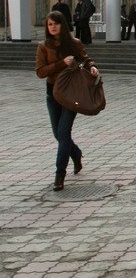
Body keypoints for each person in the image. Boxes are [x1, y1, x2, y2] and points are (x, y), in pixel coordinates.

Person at [35, 11, 99, 191]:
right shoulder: (43, 46)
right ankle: (76, 154)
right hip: (52, 95)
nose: (53, 27)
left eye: (56, 23)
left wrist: (93, 67)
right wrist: (62, 63)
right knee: (58, 135)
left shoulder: (74, 43)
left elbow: (86, 60)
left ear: (62, 25)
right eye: (49, 24)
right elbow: (40, 72)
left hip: (71, 95)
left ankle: (59, 175)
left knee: (63, 133)